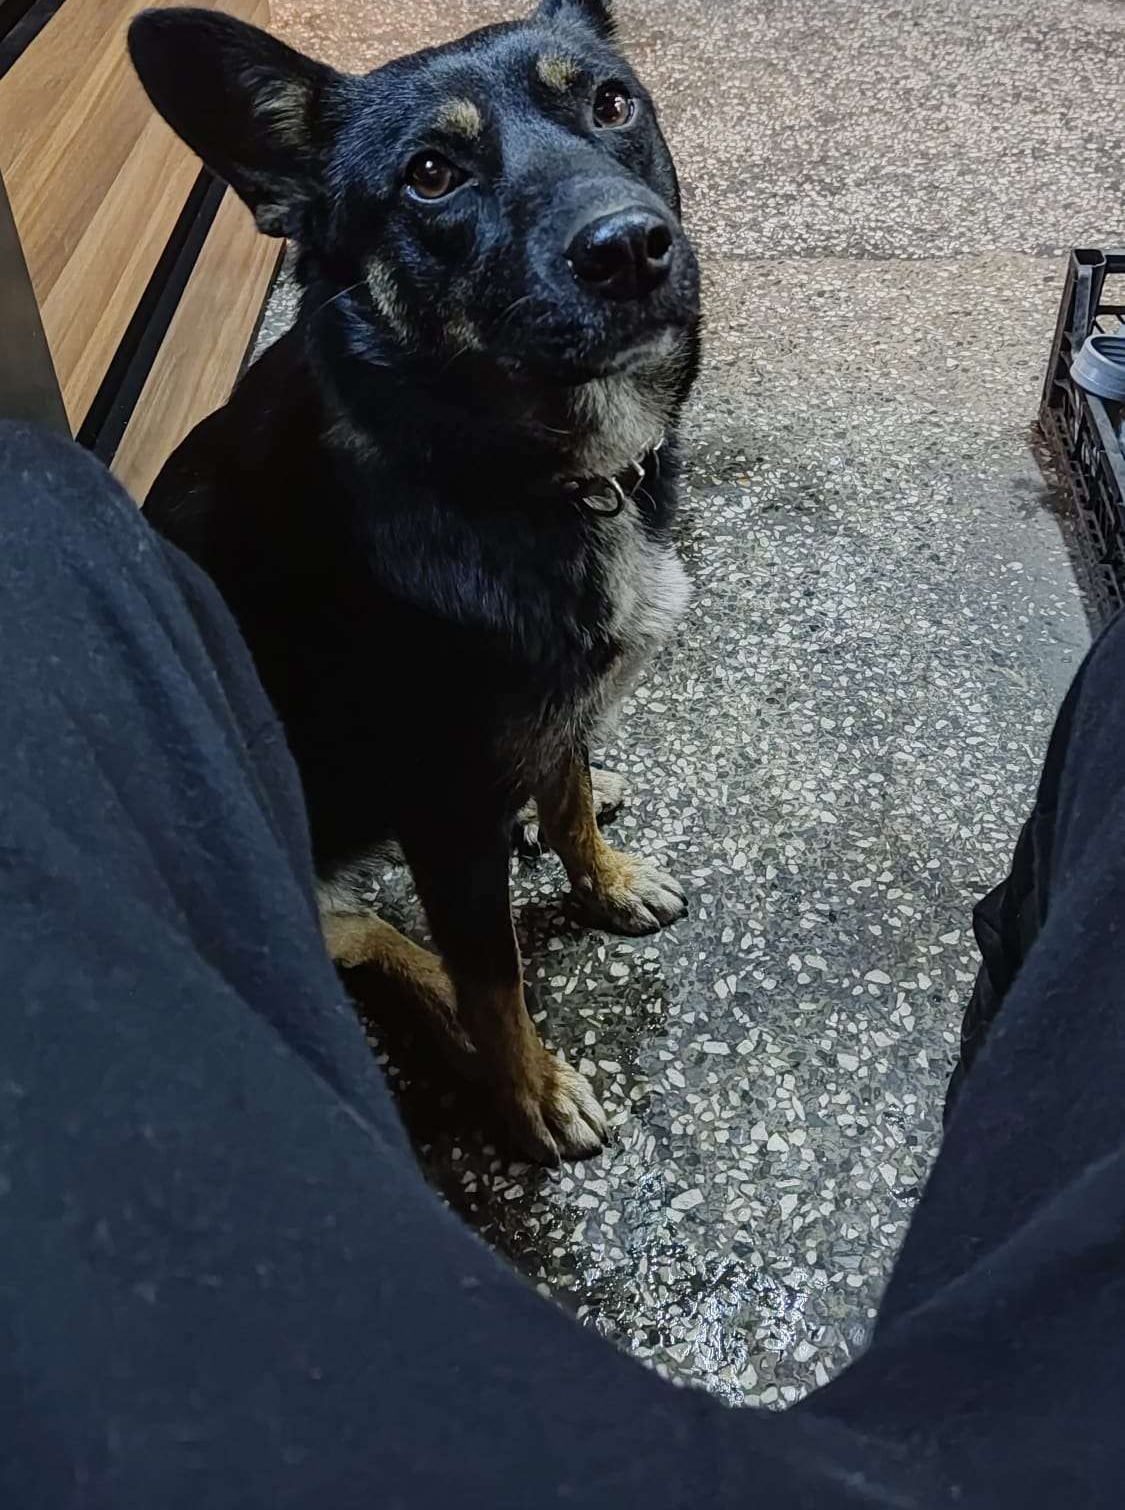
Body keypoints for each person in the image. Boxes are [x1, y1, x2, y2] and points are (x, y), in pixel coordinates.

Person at [0, 420, 1120, 1509]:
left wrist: (575, 828)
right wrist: (509, 1049)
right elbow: (449, 804)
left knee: (40, 495)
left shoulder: (49, 508)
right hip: (301, 829)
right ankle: (393, 959)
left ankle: (562, 825)